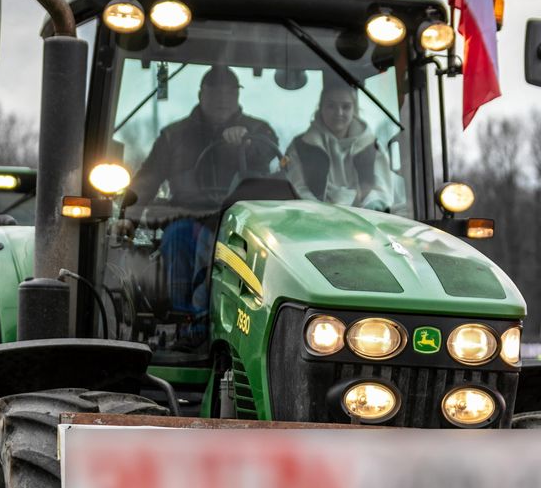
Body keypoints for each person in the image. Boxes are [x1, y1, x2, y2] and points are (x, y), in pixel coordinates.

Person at [126, 65, 278, 324]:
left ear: (238, 95)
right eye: (214, 92)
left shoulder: (259, 132)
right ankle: (186, 320)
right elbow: (148, 179)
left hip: (243, 222)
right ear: (200, 94)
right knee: (178, 237)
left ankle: (254, 320)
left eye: (229, 92)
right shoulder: (174, 136)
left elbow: (272, 161)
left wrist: (247, 143)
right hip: (190, 216)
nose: (222, 98)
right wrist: (126, 215)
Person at [284, 79, 395, 211]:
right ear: (321, 108)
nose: (339, 113)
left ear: (354, 109)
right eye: (331, 106)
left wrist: (367, 209)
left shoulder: (372, 146)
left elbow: (381, 191)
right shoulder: (300, 146)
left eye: (346, 106)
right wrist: (323, 212)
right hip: (314, 221)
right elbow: (297, 189)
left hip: (365, 222)